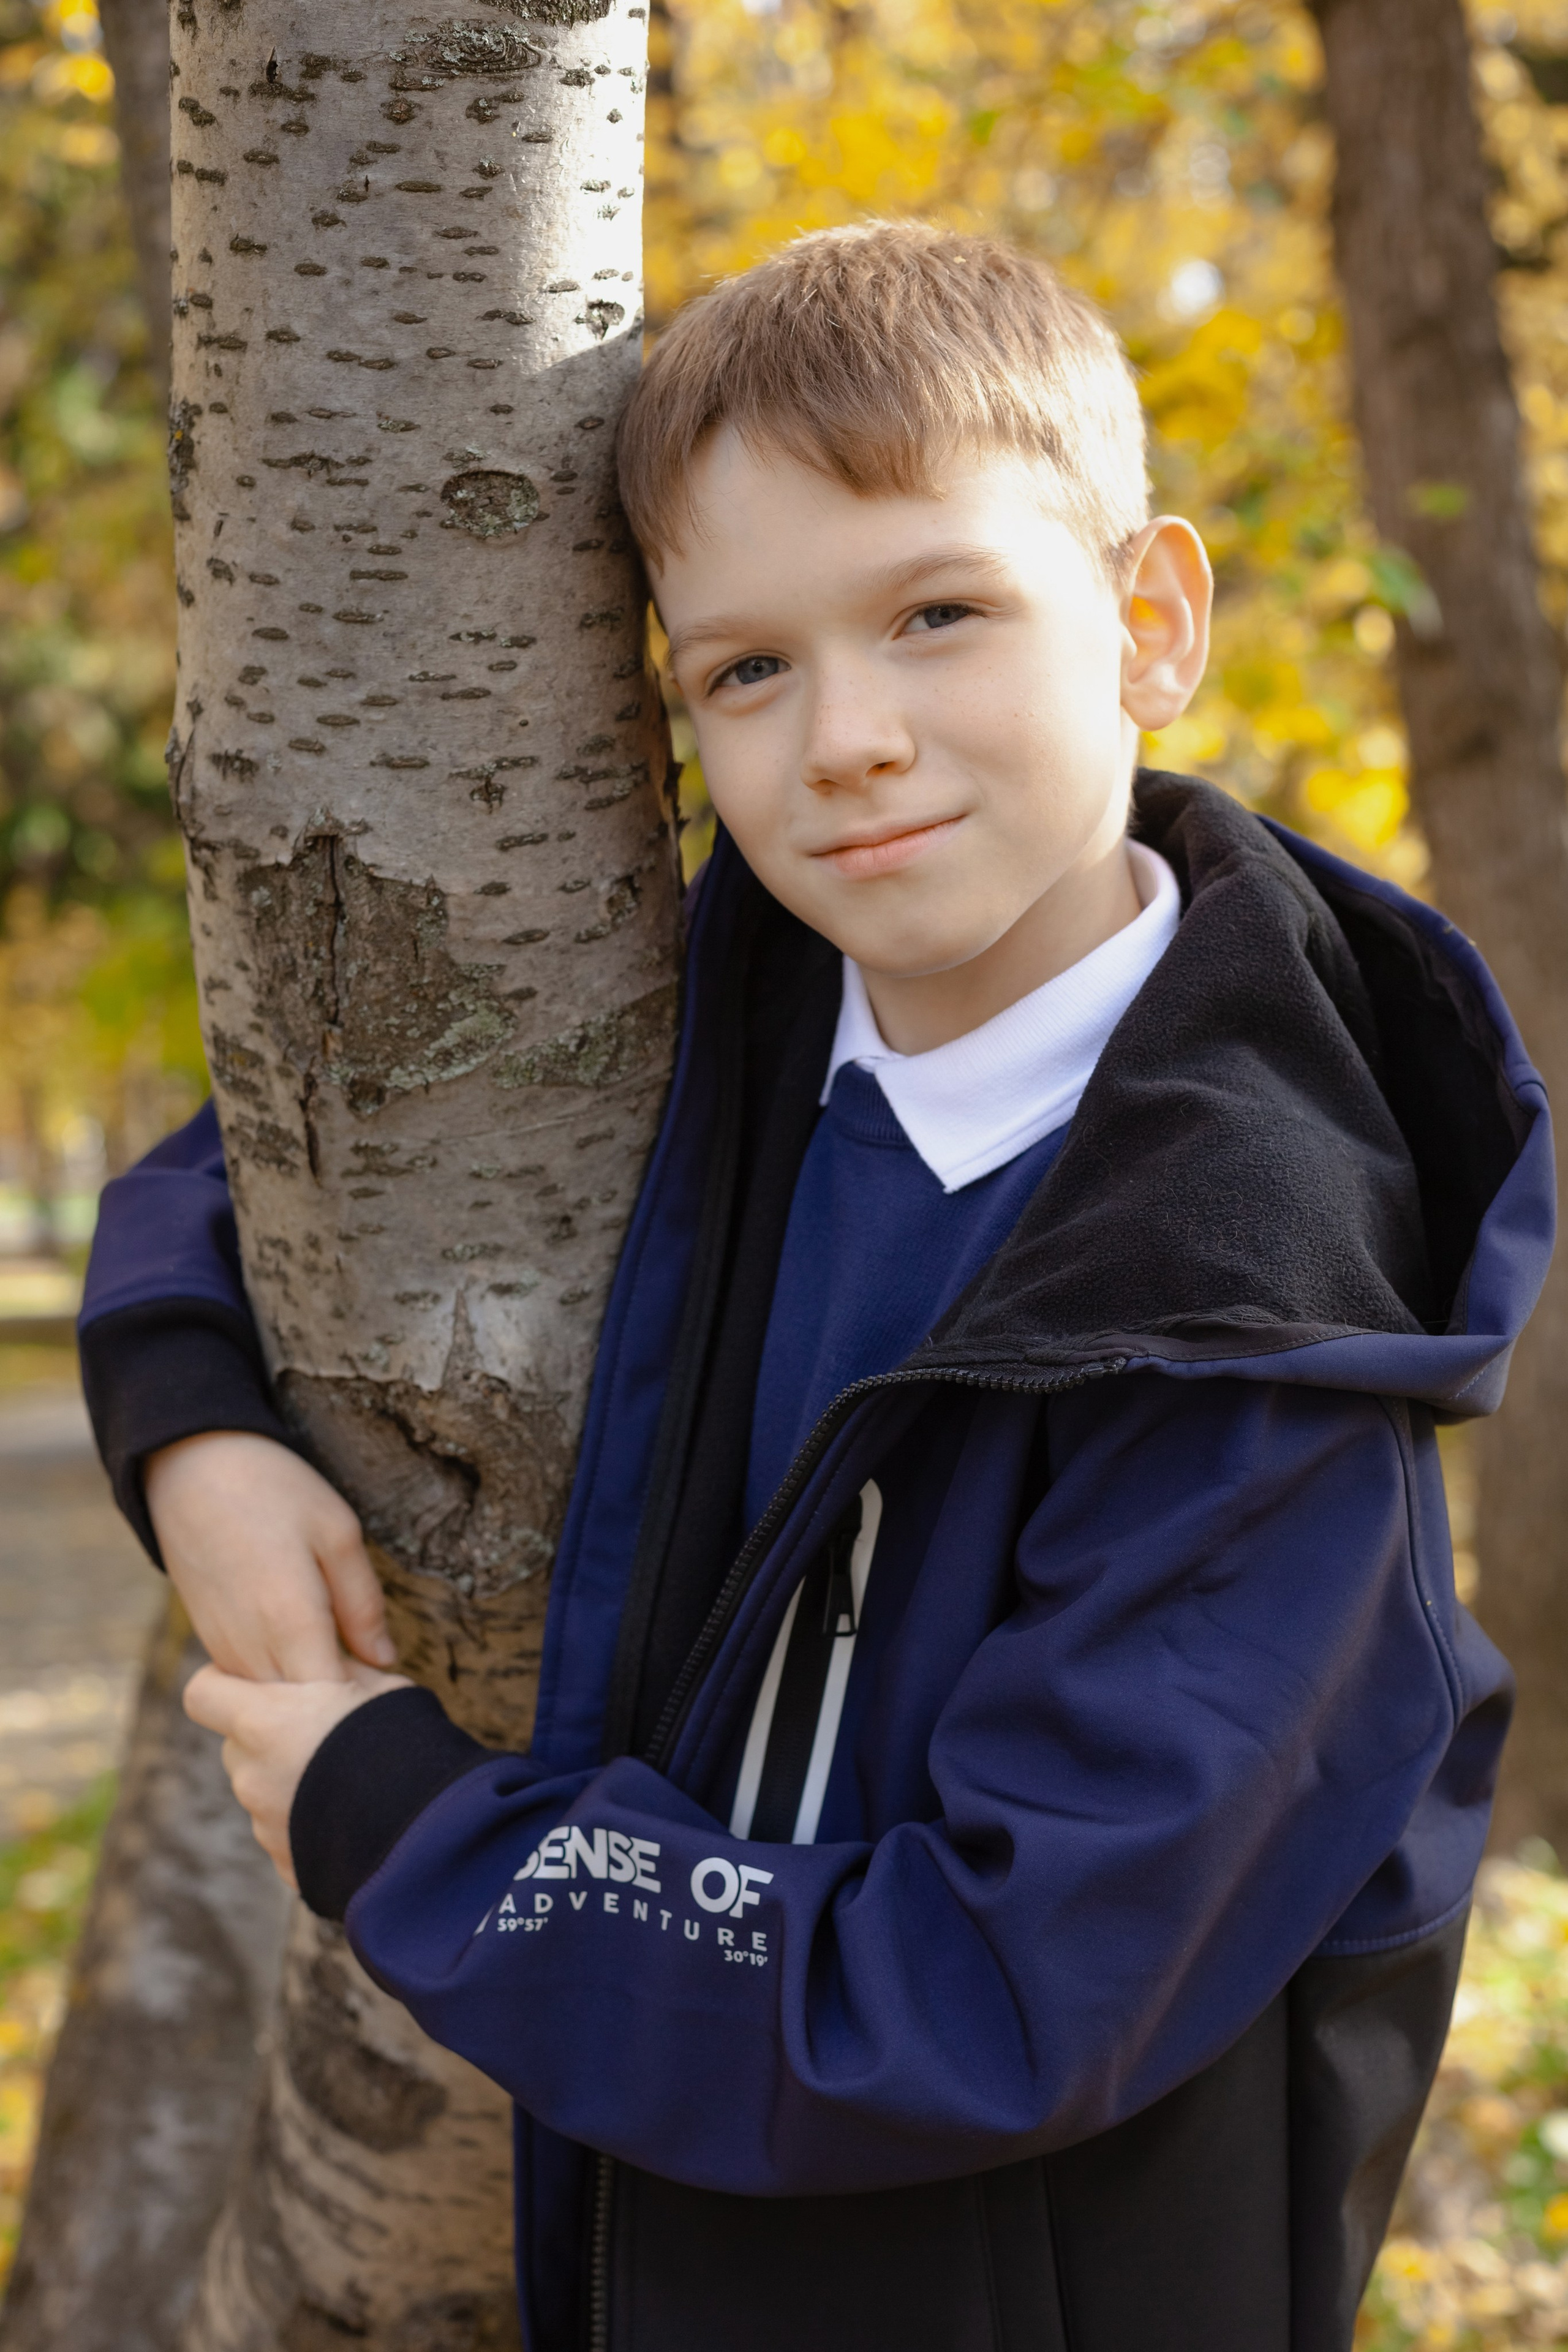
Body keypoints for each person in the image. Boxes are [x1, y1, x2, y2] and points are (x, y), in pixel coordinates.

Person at [80, 223, 1553, 2352]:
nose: (846, 738)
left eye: (939, 614)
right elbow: (300, 1146)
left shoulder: (1255, 1325)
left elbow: (971, 2000)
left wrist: (405, 1825)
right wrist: (192, 1422)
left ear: (1150, 624)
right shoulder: (729, 1012)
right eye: (747, 670)